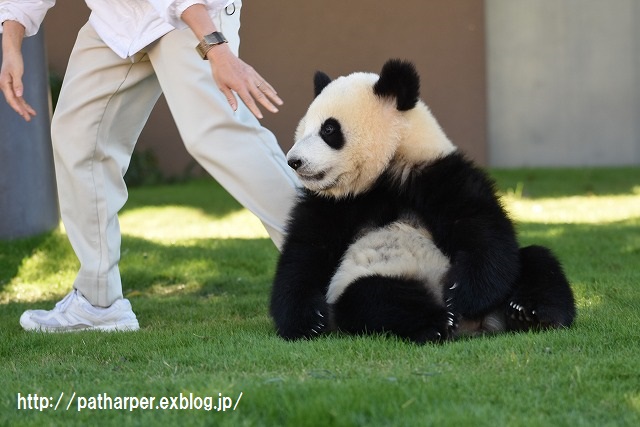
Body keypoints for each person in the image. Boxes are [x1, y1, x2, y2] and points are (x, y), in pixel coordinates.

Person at [0, 0, 299, 332]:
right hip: (115, 21)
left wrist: (216, 47)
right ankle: (98, 301)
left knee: (215, 135)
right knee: (77, 137)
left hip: (191, 16)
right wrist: (11, 46)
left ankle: (338, 254)